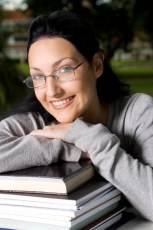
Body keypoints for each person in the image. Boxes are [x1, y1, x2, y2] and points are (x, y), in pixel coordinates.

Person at [0, 10, 153, 222]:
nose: (52, 91)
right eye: (38, 76)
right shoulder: (34, 124)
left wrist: (93, 140)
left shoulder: (138, 113)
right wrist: (67, 144)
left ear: (97, 65)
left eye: (64, 70)